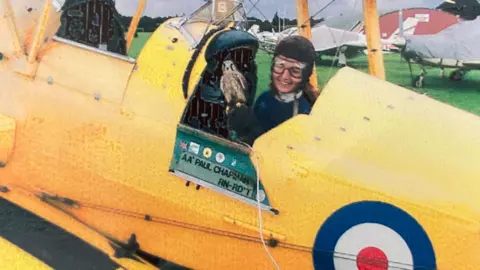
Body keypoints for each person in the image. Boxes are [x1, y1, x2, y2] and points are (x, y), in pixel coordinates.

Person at [253, 35, 319, 134]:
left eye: (295, 70)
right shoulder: (263, 100)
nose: (285, 76)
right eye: (280, 66)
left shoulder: (310, 110)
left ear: (306, 74)